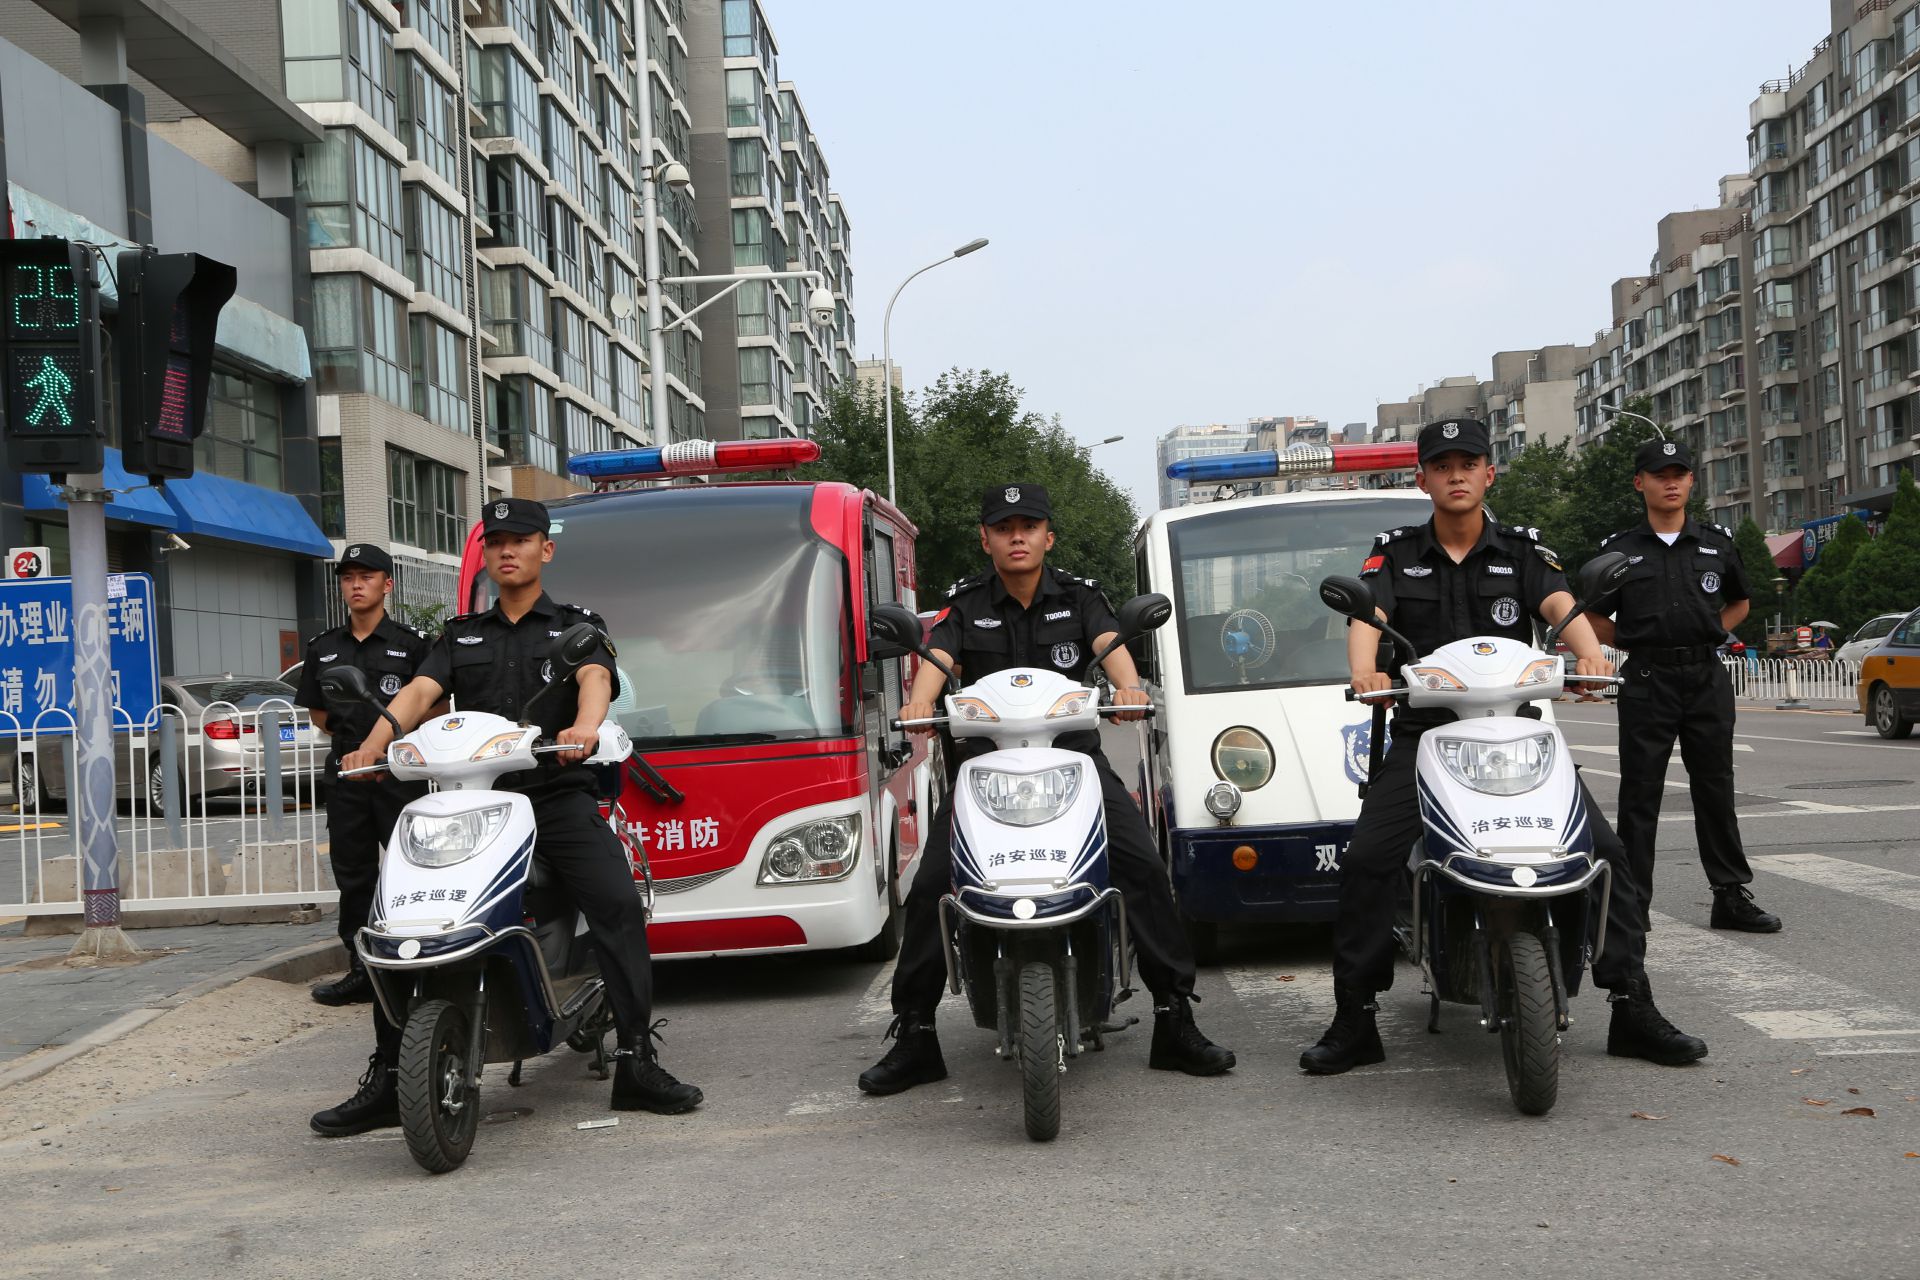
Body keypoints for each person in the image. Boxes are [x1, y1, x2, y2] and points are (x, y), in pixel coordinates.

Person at [1300, 418, 1708, 1075]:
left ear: (1489, 474)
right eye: (1442, 466)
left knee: (1607, 855)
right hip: (1426, 736)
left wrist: (1589, 656)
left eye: (1468, 464)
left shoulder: (1520, 550)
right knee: (1369, 858)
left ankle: (1632, 1005)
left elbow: (1561, 605)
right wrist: (1364, 672)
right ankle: (1355, 1017)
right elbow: (1368, 615)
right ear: (1422, 479)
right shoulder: (1396, 552)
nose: (1456, 476)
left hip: (1517, 734)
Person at [331, 497, 702, 1124]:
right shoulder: (461, 635)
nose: (508, 550)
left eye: (521, 539)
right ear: (486, 554)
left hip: (553, 797)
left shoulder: (575, 625)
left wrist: (585, 728)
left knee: (615, 903)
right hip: (472, 803)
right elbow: (420, 691)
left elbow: (594, 678)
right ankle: (391, 1078)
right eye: (497, 541)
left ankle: (637, 1059)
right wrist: (371, 746)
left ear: (544, 550)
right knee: (395, 919)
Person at [857, 483, 1235, 1095]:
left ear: (1048, 537)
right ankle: (916, 1035)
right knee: (930, 886)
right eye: (1004, 528)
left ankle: (1175, 1018)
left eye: (1028, 526)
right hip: (987, 772)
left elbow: (1110, 647)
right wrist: (919, 703)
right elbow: (937, 660)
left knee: (1141, 865)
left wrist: (1129, 689)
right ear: (985, 539)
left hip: (1075, 764)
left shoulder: (1081, 598)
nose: (1017, 537)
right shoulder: (965, 604)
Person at [1586, 437, 1782, 943]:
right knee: (1640, 793)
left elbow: (1739, 602)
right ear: (1640, 483)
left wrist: (1712, 632)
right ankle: (1632, 905)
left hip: (1705, 677)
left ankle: (1730, 895)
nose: (1670, 483)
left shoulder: (1716, 543)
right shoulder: (1620, 550)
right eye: (1659, 475)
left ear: (1692, 480)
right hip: (1647, 677)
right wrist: (1630, 640)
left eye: (1679, 474)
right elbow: (1592, 615)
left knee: (1715, 787)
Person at [296, 544, 434, 1135]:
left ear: (387, 584)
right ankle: (360, 964)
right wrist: (355, 738)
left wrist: (384, 741)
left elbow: (432, 703)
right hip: (347, 774)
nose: (356, 586)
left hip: (399, 772)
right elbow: (318, 712)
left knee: (409, 870)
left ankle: (414, 953)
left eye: (366, 576)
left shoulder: (411, 644)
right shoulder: (323, 647)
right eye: (348, 577)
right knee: (353, 873)